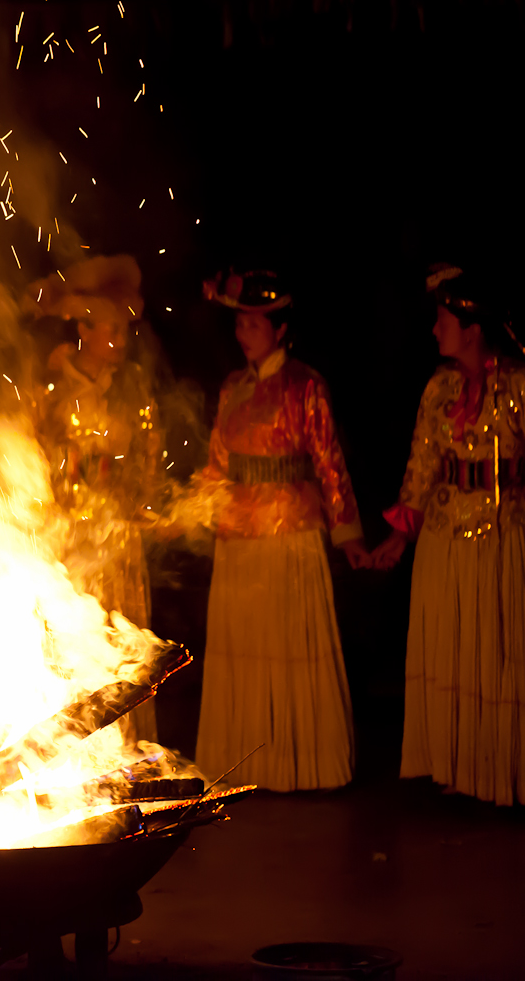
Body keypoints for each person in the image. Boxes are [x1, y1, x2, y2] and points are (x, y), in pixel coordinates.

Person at [194, 269, 368, 792]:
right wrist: (186, 513)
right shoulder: (231, 388)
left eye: (251, 324)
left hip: (289, 535)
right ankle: (246, 764)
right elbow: (216, 466)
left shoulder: (305, 385)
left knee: (290, 653)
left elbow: (329, 462)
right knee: (245, 653)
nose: (241, 332)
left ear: (278, 329)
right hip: (238, 538)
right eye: (239, 323)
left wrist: (349, 536)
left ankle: (301, 764)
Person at [371, 264, 524, 805]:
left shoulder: (519, 385)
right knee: (454, 648)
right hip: (443, 536)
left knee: (498, 650)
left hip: (502, 537)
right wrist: (400, 537)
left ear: (471, 328)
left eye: (442, 321)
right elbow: (421, 465)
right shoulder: (439, 388)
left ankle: (502, 771)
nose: (435, 332)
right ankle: (458, 769)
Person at [31, 256, 163, 744]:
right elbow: (34, 460)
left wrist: (139, 503)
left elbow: (151, 455)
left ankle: (127, 748)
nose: (121, 339)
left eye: (125, 329)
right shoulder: (51, 390)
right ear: (83, 328)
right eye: (111, 328)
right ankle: (71, 752)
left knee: (121, 645)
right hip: (69, 544)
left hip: (118, 541)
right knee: (72, 645)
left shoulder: (132, 388)